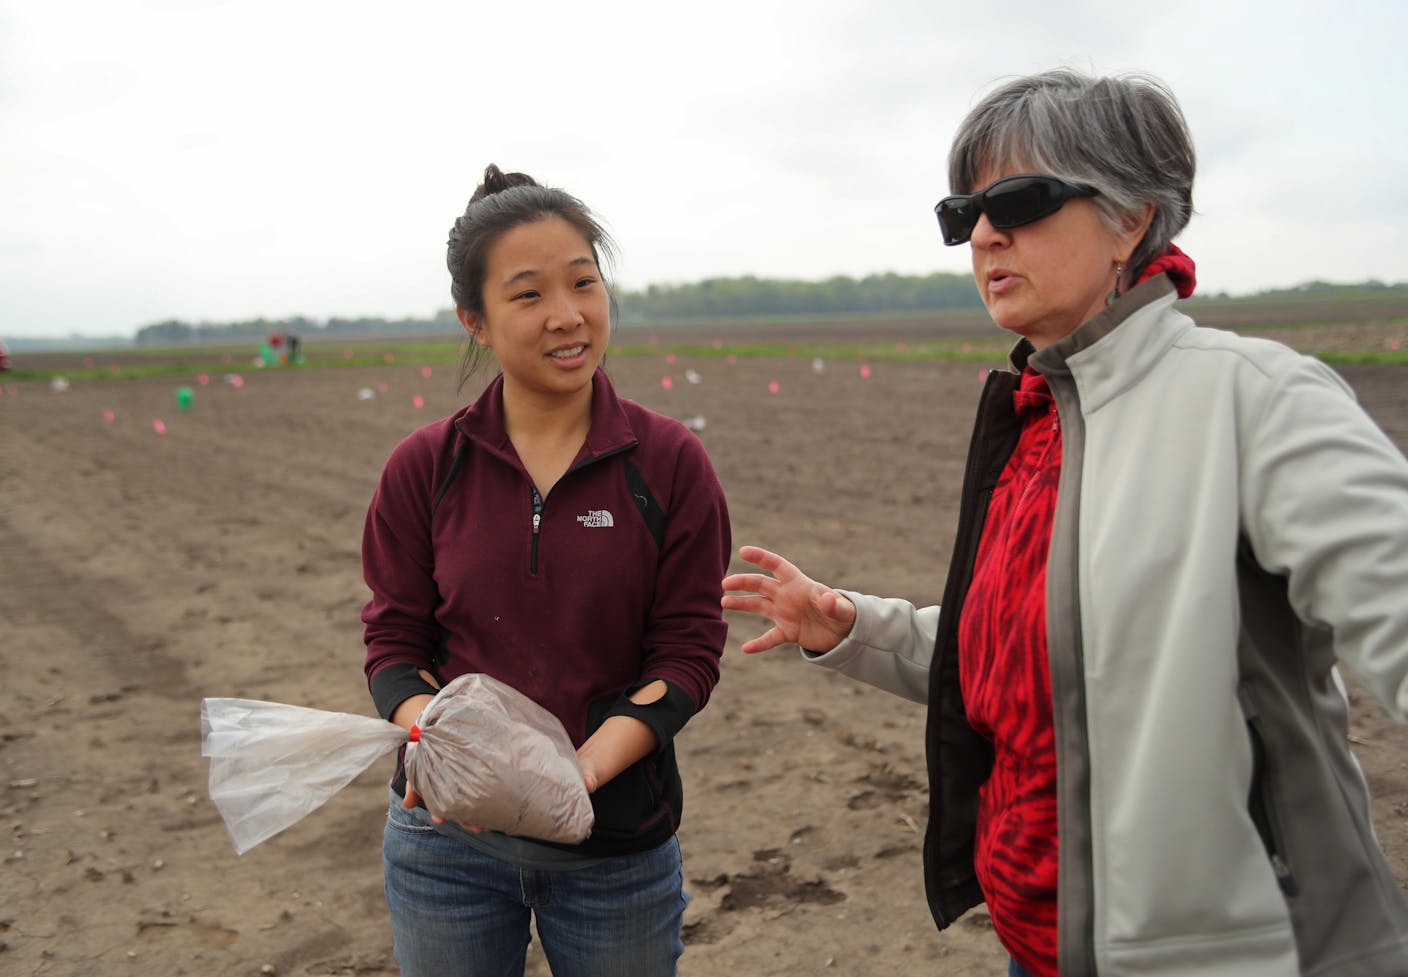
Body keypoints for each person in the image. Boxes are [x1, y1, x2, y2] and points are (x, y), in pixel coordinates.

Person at [721, 69, 1408, 977]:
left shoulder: (1255, 401)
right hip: (1040, 945)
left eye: (1022, 198)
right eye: (965, 211)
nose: (985, 233)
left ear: (1132, 216)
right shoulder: (1038, 422)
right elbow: (1035, 661)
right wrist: (849, 625)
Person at [361, 164, 732, 977]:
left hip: (617, 850)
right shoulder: (424, 467)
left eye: (584, 283)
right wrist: (452, 749)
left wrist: (579, 770)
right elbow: (395, 643)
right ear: (477, 320)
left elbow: (688, 649)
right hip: (446, 845)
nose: (568, 316)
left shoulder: (669, 461)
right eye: (528, 295)